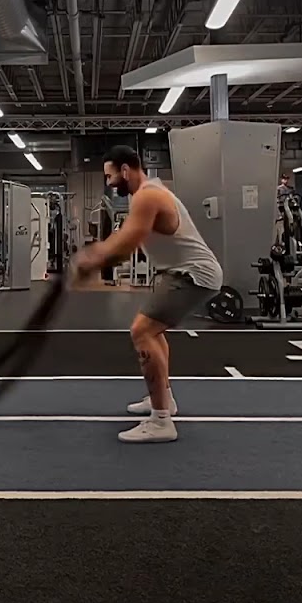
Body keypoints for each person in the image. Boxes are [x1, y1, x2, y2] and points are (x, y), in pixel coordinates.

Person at [74, 146, 223, 444]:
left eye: (110, 176)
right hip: (179, 273)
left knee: (142, 331)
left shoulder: (148, 196)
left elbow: (125, 245)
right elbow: (125, 236)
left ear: (125, 170)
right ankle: (164, 399)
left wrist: (88, 261)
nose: (109, 183)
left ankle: (161, 421)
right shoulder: (144, 195)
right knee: (153, 331)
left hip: (193, 275)